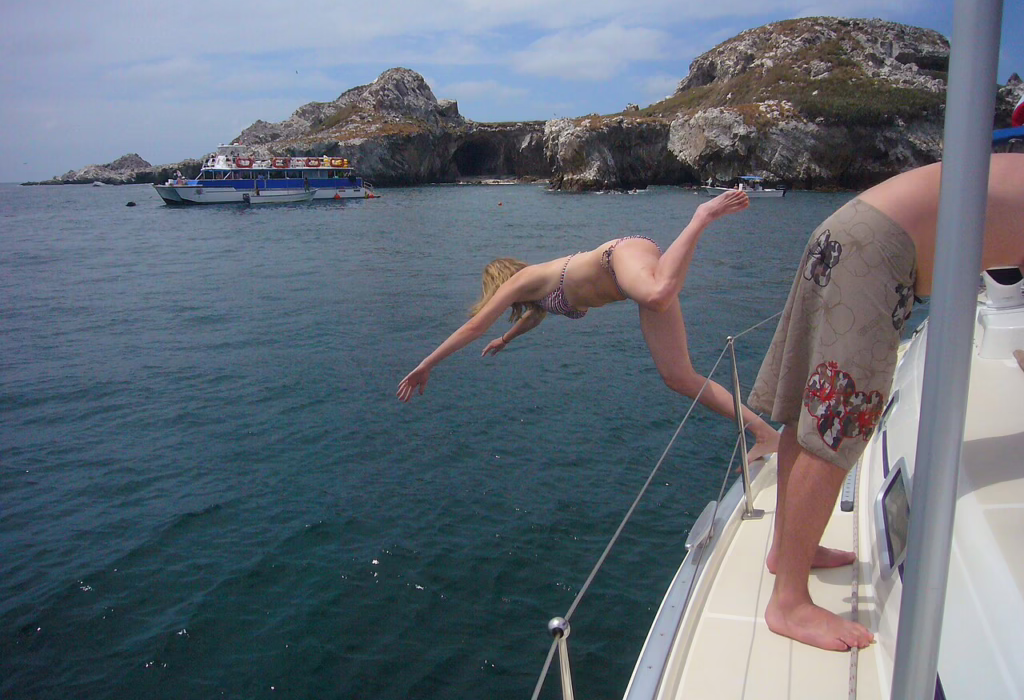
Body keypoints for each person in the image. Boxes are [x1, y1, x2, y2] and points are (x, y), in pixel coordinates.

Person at [748, 152, 1024, 651]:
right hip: (878, 249)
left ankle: (785, 552)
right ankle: (788, 601)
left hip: (849, 231)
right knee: (839, 423)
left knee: (812, 415)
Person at [397, 189, 780, 459]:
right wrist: (507, 339)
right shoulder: (535, 294)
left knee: (658, 294)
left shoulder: (521, 281)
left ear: (499, 281)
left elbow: (473, 327)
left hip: (619, 257)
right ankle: (766, 435)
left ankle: (702, 215)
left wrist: (426, 364)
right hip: (632, 282)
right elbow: (535, 315)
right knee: (679, 377)